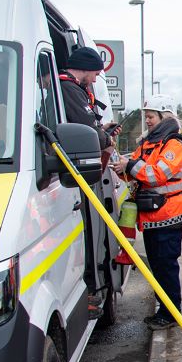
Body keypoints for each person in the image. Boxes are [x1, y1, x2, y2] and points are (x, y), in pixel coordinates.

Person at [115, 94, 182, 329]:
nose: (147, 120)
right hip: (152, 217)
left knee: (166, 267)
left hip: (167, 216)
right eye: (146, 116)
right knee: (158, 268)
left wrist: (130, 166)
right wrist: (121, 167)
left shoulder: (173, 144)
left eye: (151, 116)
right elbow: (134, 171)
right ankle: (164, 310)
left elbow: (157, 175)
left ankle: (170, 313)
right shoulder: (148, 144)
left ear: (164, 116)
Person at [59, 45, 121, 314]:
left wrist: (101, 130)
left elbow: (88, 125)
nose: (95, 79)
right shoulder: (69, 89)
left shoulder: (74, 89)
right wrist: (105, 138)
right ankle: (89, 288)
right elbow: (87, 130)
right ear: (83, 67)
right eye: (95, 73)